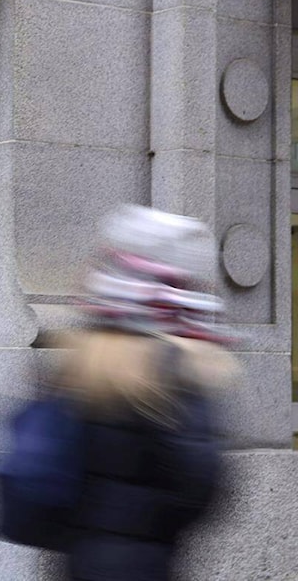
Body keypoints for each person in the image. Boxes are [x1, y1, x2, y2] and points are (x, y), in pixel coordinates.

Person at [52, 204, 239, 581]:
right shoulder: (173, 368)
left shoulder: (82, 360)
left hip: (80, 557)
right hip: (145, 561)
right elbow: (200, 483)